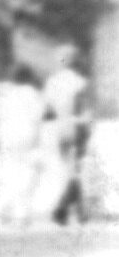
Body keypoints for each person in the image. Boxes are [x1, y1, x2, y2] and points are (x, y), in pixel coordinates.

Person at [0, 63, 50, 229]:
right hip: (26, 136)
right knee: (26, 174)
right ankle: (19, 213)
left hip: (5, 135)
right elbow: (44, 114)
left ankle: (1, 209)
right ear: (28, 77)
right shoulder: (32, 93)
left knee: (9, 172)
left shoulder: (2, 91)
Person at [44, 49, 92, 227]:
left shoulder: (52, 82)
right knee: (75, 170)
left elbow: (47, 110)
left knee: (69, 170)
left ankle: (78, 212)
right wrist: (88, 129)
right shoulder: (81, 82)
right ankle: (62, 208)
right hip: (76, 126)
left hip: (60, 127)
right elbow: (84, 110)